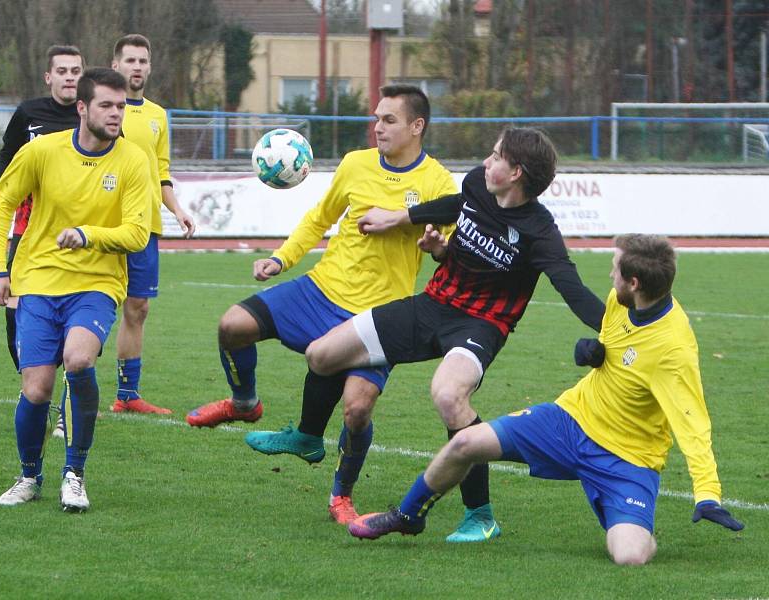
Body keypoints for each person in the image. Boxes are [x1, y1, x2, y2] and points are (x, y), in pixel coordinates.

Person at [346, 234, 745, 564]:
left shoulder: (674, 351)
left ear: (635, 283)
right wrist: (596, 351)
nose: (610, 274)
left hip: (627, 460)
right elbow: (617, 341)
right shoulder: (619, 299)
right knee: (466, 441)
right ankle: (407, 515)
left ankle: (631, 519)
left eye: (615, 268)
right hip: (569, 421)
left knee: (630, 556)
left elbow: (693, 422)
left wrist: (708, 494)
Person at [305, 127, 606, 542]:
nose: (486, 161)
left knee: (449, 396)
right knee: (321, 355)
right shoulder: (475, 184)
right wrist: (422, 233)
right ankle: (309, 438)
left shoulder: (539, 232)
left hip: (480, 326)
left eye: (496, 155)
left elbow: (572, 289)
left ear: (516, 172)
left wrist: (621, 329)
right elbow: (456, 206)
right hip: (432, 305)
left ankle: (480, 516)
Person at [186, 85, 457, 525]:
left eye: (389, 120)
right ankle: (244, 403)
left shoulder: (436, 182)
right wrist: (280, 258)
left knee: (357, 408)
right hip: (320, 290)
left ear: (416, 126)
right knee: (232, 325)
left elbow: (452, 247)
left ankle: (341, 496)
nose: (378, 127)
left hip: (378, 315)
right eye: (376, 118)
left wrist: (436, 246)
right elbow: (319, 218)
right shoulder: (356, 164)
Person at [0, 67, 152, 512]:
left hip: (96, 283)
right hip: (37, 280)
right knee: (37, 388)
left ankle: (74, 474)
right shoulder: (41, 151)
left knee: (79, 359)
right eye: (106, 105)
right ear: (82, 108)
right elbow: (2, 201)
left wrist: (87, 235)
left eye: (120, 106)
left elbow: (137, 232)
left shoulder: (135, 160)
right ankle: (28, 476)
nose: (116, 114)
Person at [110, 33, 196, 415]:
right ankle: (72, 387)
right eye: (130, 61)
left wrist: (176, 208)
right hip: (106, 224)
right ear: (116, 66)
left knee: (138, 307)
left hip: (145, 225)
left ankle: (127, 395)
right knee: (91, 303)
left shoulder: (158, 115)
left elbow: (161, 171)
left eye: (143, 61)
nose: (138, 67)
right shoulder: (103, 108)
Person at [0, 45, 84, 372]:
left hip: (78, 230)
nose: (70, 77)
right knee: (15, 307)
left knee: (75, 311)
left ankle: (64, 395)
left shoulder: (92, 116)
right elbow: (7, 156)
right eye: (62, 71)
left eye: (75, 71)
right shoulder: (28, 113)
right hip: (29, 226)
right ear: (49, 77)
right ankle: (31, 382)